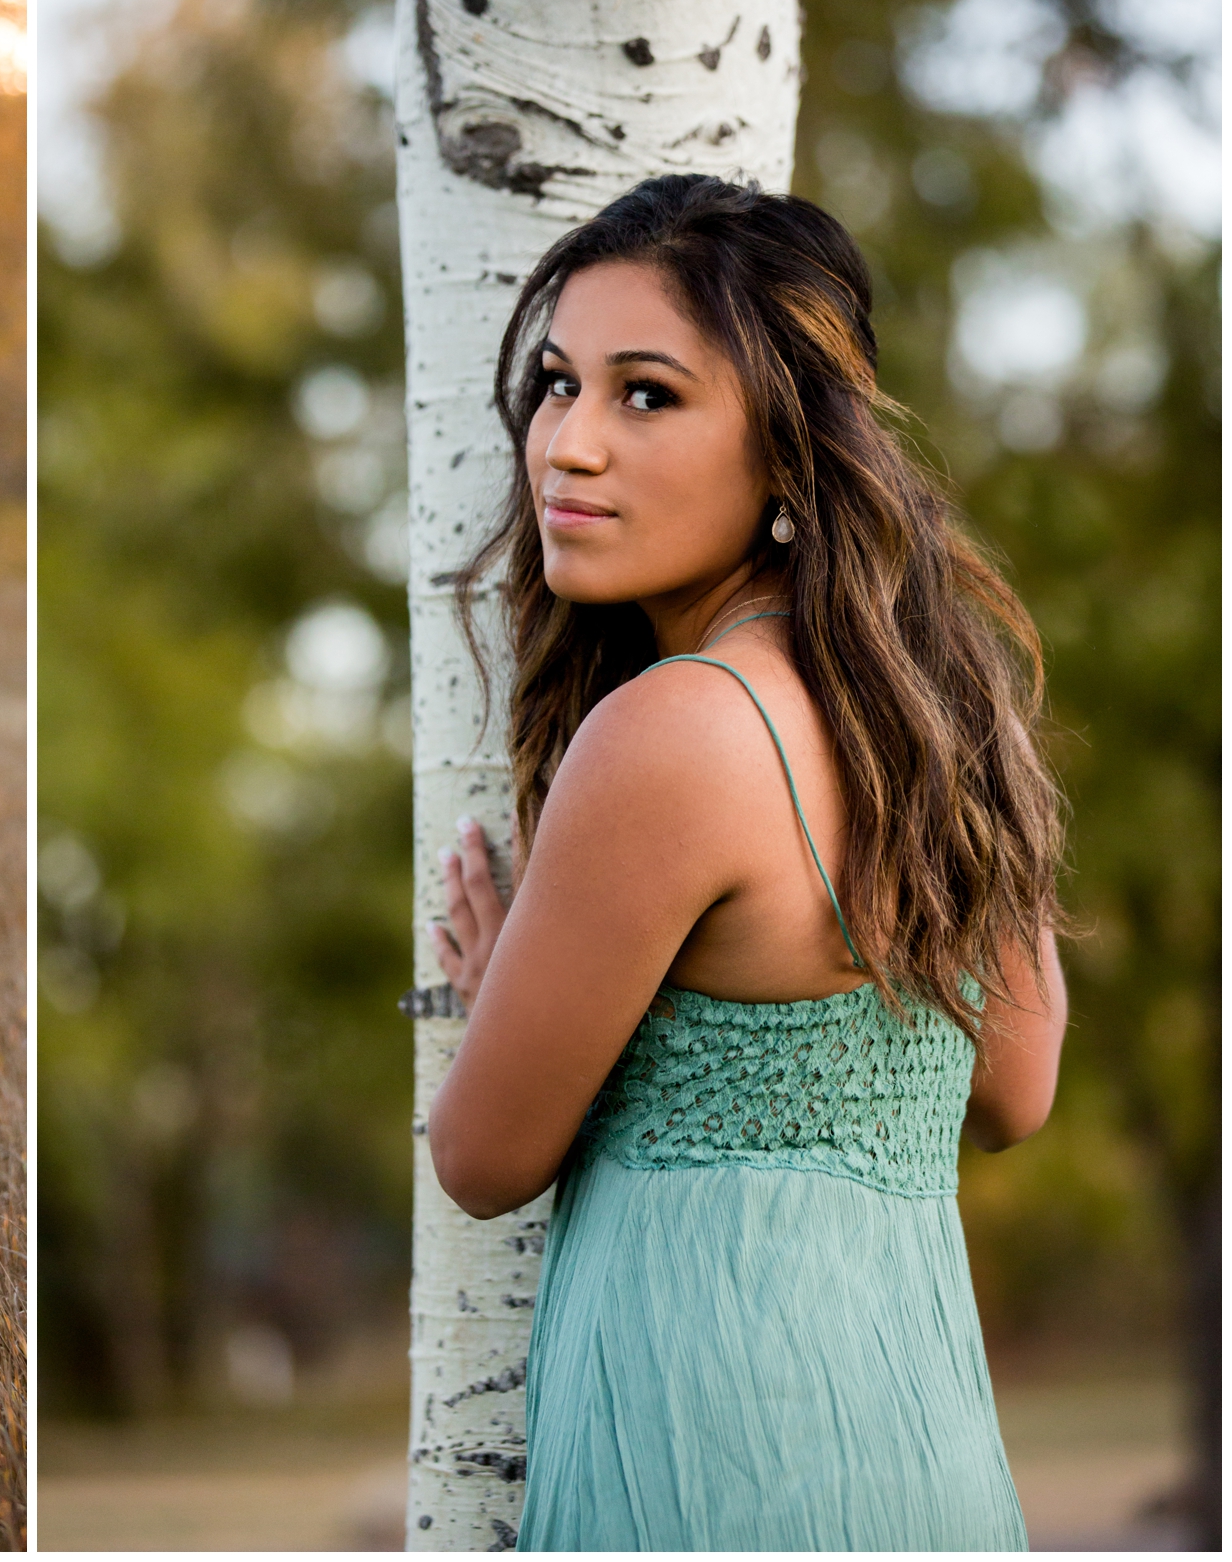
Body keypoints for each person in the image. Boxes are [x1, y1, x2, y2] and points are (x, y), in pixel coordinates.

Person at [424, 175, 1068, 1550]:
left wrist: (515, 1000)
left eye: (645, 393)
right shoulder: (952, 723)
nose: (567, 443)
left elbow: (480, 1155)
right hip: (918, 1448)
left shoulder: (670, 732)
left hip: (709, 1450)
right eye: (556, 384)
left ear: (787, 448)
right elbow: (1016, 1090)